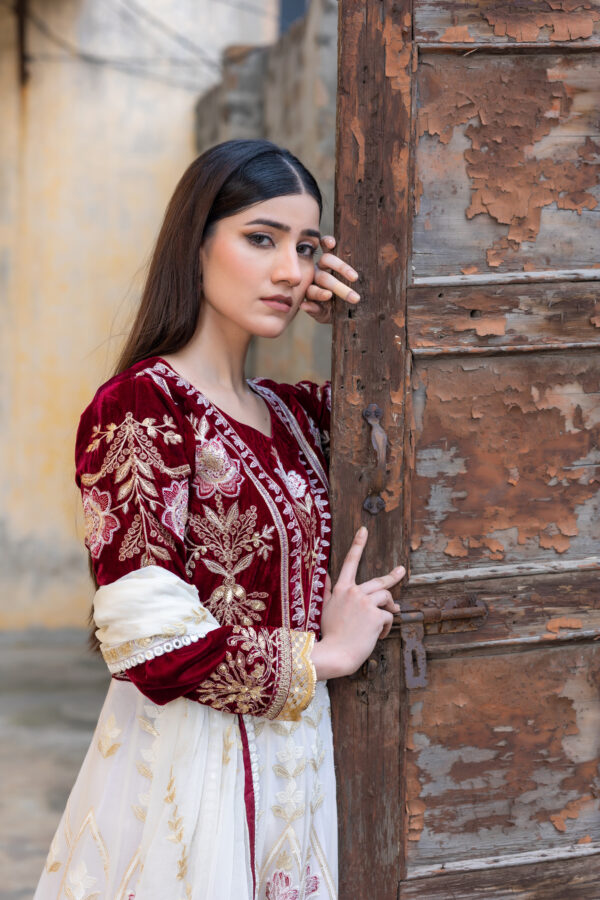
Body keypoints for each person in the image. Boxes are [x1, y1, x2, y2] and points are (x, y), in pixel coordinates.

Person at [34, 139, 405, 900]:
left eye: (307, 249)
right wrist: (325, 658)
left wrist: (359, 328)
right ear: (197, 242)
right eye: (260, 239)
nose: (289, 271)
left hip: (302, 769)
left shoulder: (296, 415)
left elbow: (424, 430)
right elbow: (147, 638)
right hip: (190, 774)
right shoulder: (143, 406)